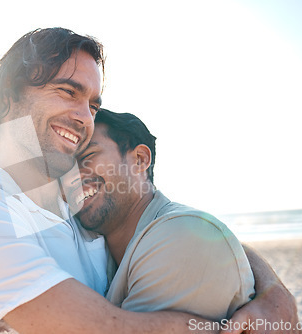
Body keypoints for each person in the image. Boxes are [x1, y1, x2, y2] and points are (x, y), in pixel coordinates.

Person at [0, 27, 300, 334]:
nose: (83, 117)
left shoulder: (78, 208)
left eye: (92, 104)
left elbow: (184, 228)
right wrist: (218, 327)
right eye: (67, 91)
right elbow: (111, 329)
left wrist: (275, 296)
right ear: (10, 96)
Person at [66, 108, 253, 321]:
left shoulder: (181, 236)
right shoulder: (101, 249)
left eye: (88, 156)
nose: (72, 175)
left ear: (139, 160)